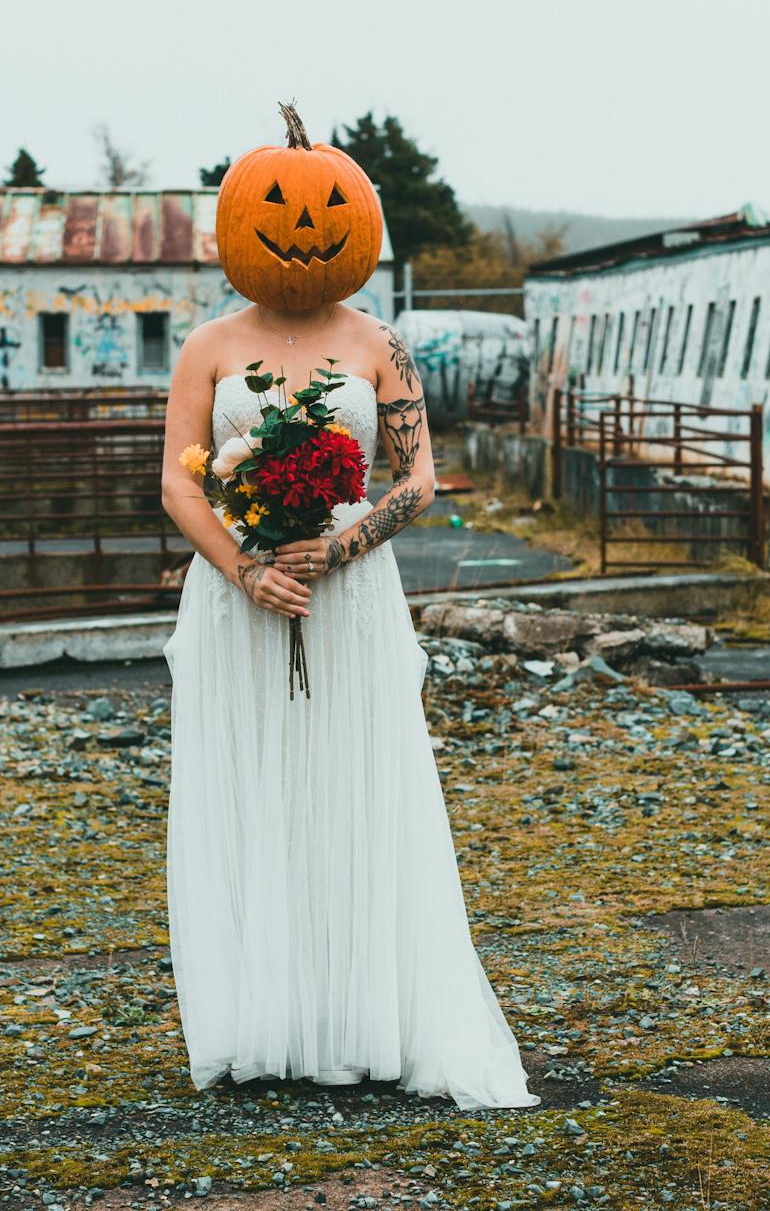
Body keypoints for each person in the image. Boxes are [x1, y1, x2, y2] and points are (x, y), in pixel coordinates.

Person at [158, 297, 537, 1110]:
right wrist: (247, 570)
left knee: (352, 789)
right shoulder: (210, 344)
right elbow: (179, 482)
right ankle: (265, 1018)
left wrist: (339, 548)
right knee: (254, 790)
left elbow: (418, 479)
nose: (302, 227)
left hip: (351, 594)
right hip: (242, 595)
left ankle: (364, 1017)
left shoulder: (381, 344)